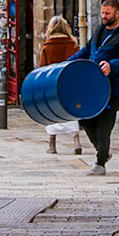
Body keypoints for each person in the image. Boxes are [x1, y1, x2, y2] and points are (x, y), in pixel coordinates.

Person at [71, 0, 119, 175]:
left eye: (107, 13)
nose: (104, 16)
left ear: (117, 13)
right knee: (84, 119)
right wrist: (67, 64)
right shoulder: (99, 31)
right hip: (92, 85)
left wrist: (111, 66)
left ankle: (100, 164)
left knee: (104, 126)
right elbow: (87, 50)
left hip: (111, 88)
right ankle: (103, 151)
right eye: (102, 13)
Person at [40, 15, 83, 155]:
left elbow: (42, 67)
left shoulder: (47, 46)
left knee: (53, 112)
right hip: (69, 82)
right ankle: (76, 140)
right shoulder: (72, 44)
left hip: (52, 83)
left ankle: (52, 144)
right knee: (71, 110)